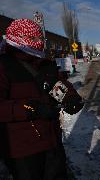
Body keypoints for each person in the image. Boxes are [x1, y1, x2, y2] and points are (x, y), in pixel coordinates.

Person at [0, 19, 83, 180]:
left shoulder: (45, 64)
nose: (39, 43)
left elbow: (60, 87)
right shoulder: (3, 66)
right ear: (18, 38)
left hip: (52, 141)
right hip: (23, 149)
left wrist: (72, 98)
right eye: (33, 39)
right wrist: (31, 109)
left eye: (40, 38)